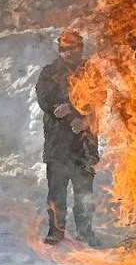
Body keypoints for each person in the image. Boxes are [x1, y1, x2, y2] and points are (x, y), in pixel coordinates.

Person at [35, 30, 98, 245]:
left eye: (74, 48)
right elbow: (45, 99)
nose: (69, 53)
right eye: (65, 49)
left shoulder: (91, 71)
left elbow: (99, 97)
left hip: (84, 142)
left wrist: (84, 119)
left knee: (84, 192)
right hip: (57, 142)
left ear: (81, 49)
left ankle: (86, 231)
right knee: (56, 191)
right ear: (59, 51)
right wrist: (58, 111)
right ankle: (56, 231)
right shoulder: (49, 72)